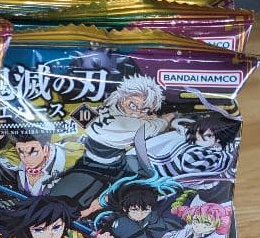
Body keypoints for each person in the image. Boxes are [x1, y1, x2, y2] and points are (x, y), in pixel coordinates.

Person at [52, 74, 173, 216]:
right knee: (68, 201)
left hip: (118, 165)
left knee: (147, 189)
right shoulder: (131, 124)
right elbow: (159, 123)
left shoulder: (96, 110)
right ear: (123, 97)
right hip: (90, 167)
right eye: (133, 105)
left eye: (144, 109)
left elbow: (76, 118)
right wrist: (170, 116)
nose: (136, 113)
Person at [0, 131, 67, 196]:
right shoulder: (12, 161)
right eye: (21, 153)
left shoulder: (66, 164)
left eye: (33, 153)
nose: (27, 159)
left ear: (45, 150)